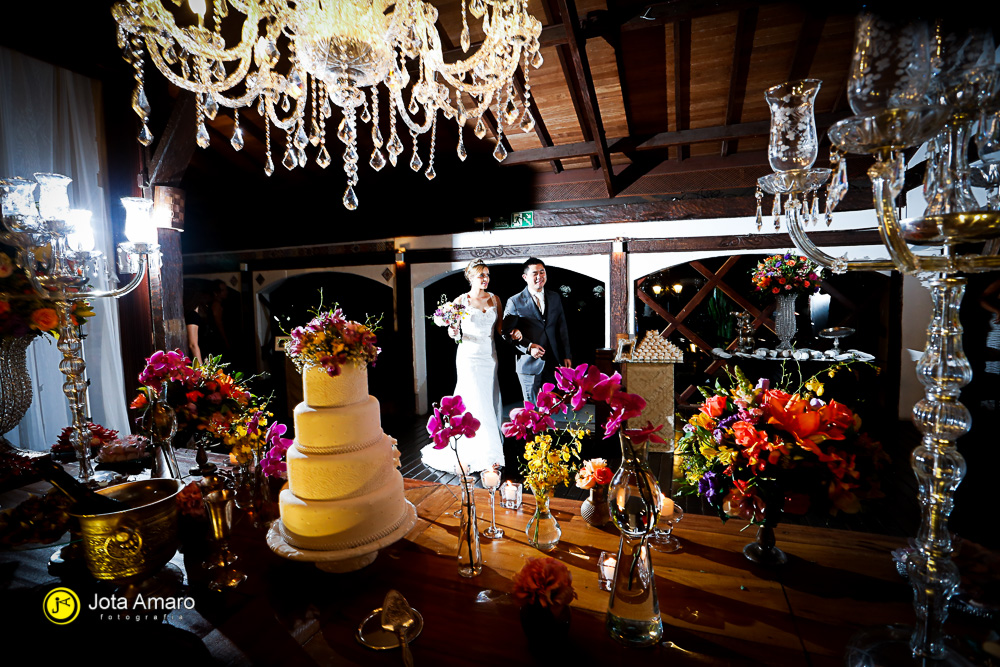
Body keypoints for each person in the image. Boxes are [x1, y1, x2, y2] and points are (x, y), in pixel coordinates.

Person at [421, 259, 506, 474]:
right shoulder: (461, 300)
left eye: (487, 275)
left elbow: (500, 329)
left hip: (489, 357)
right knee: (474, 399)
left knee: (488, 399)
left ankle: (490, 448)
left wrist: (516, 333)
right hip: (468, 356)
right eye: (481, 275)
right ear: (471, 278)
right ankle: (484, 454)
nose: (486, 279)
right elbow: (455, 331)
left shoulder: (495, 299)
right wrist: (452, 331)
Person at [502, 257, 572, 404]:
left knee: (552, 407)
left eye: (542, 272)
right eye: (535, 273)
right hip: (529, 363)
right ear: (525, 277)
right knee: (531, 409)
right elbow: (506, 333)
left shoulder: (555, 297)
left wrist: (566, 355)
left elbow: (562, 328)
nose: (539, 276)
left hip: (553, 361)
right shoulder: (515, 301)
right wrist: (528, 347)